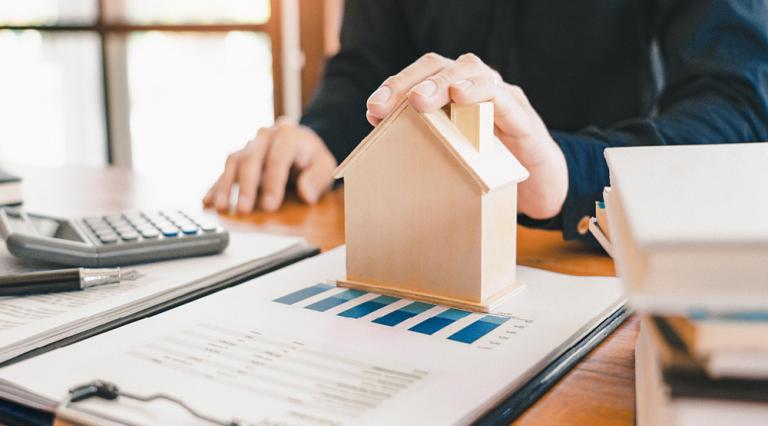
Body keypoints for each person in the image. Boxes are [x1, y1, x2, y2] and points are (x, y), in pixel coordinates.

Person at [203, 0, 768, 240]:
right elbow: (367, 65)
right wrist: (319, 135)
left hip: (604, 257)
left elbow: (739, 108)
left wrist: (569, 174)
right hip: (425, 230)